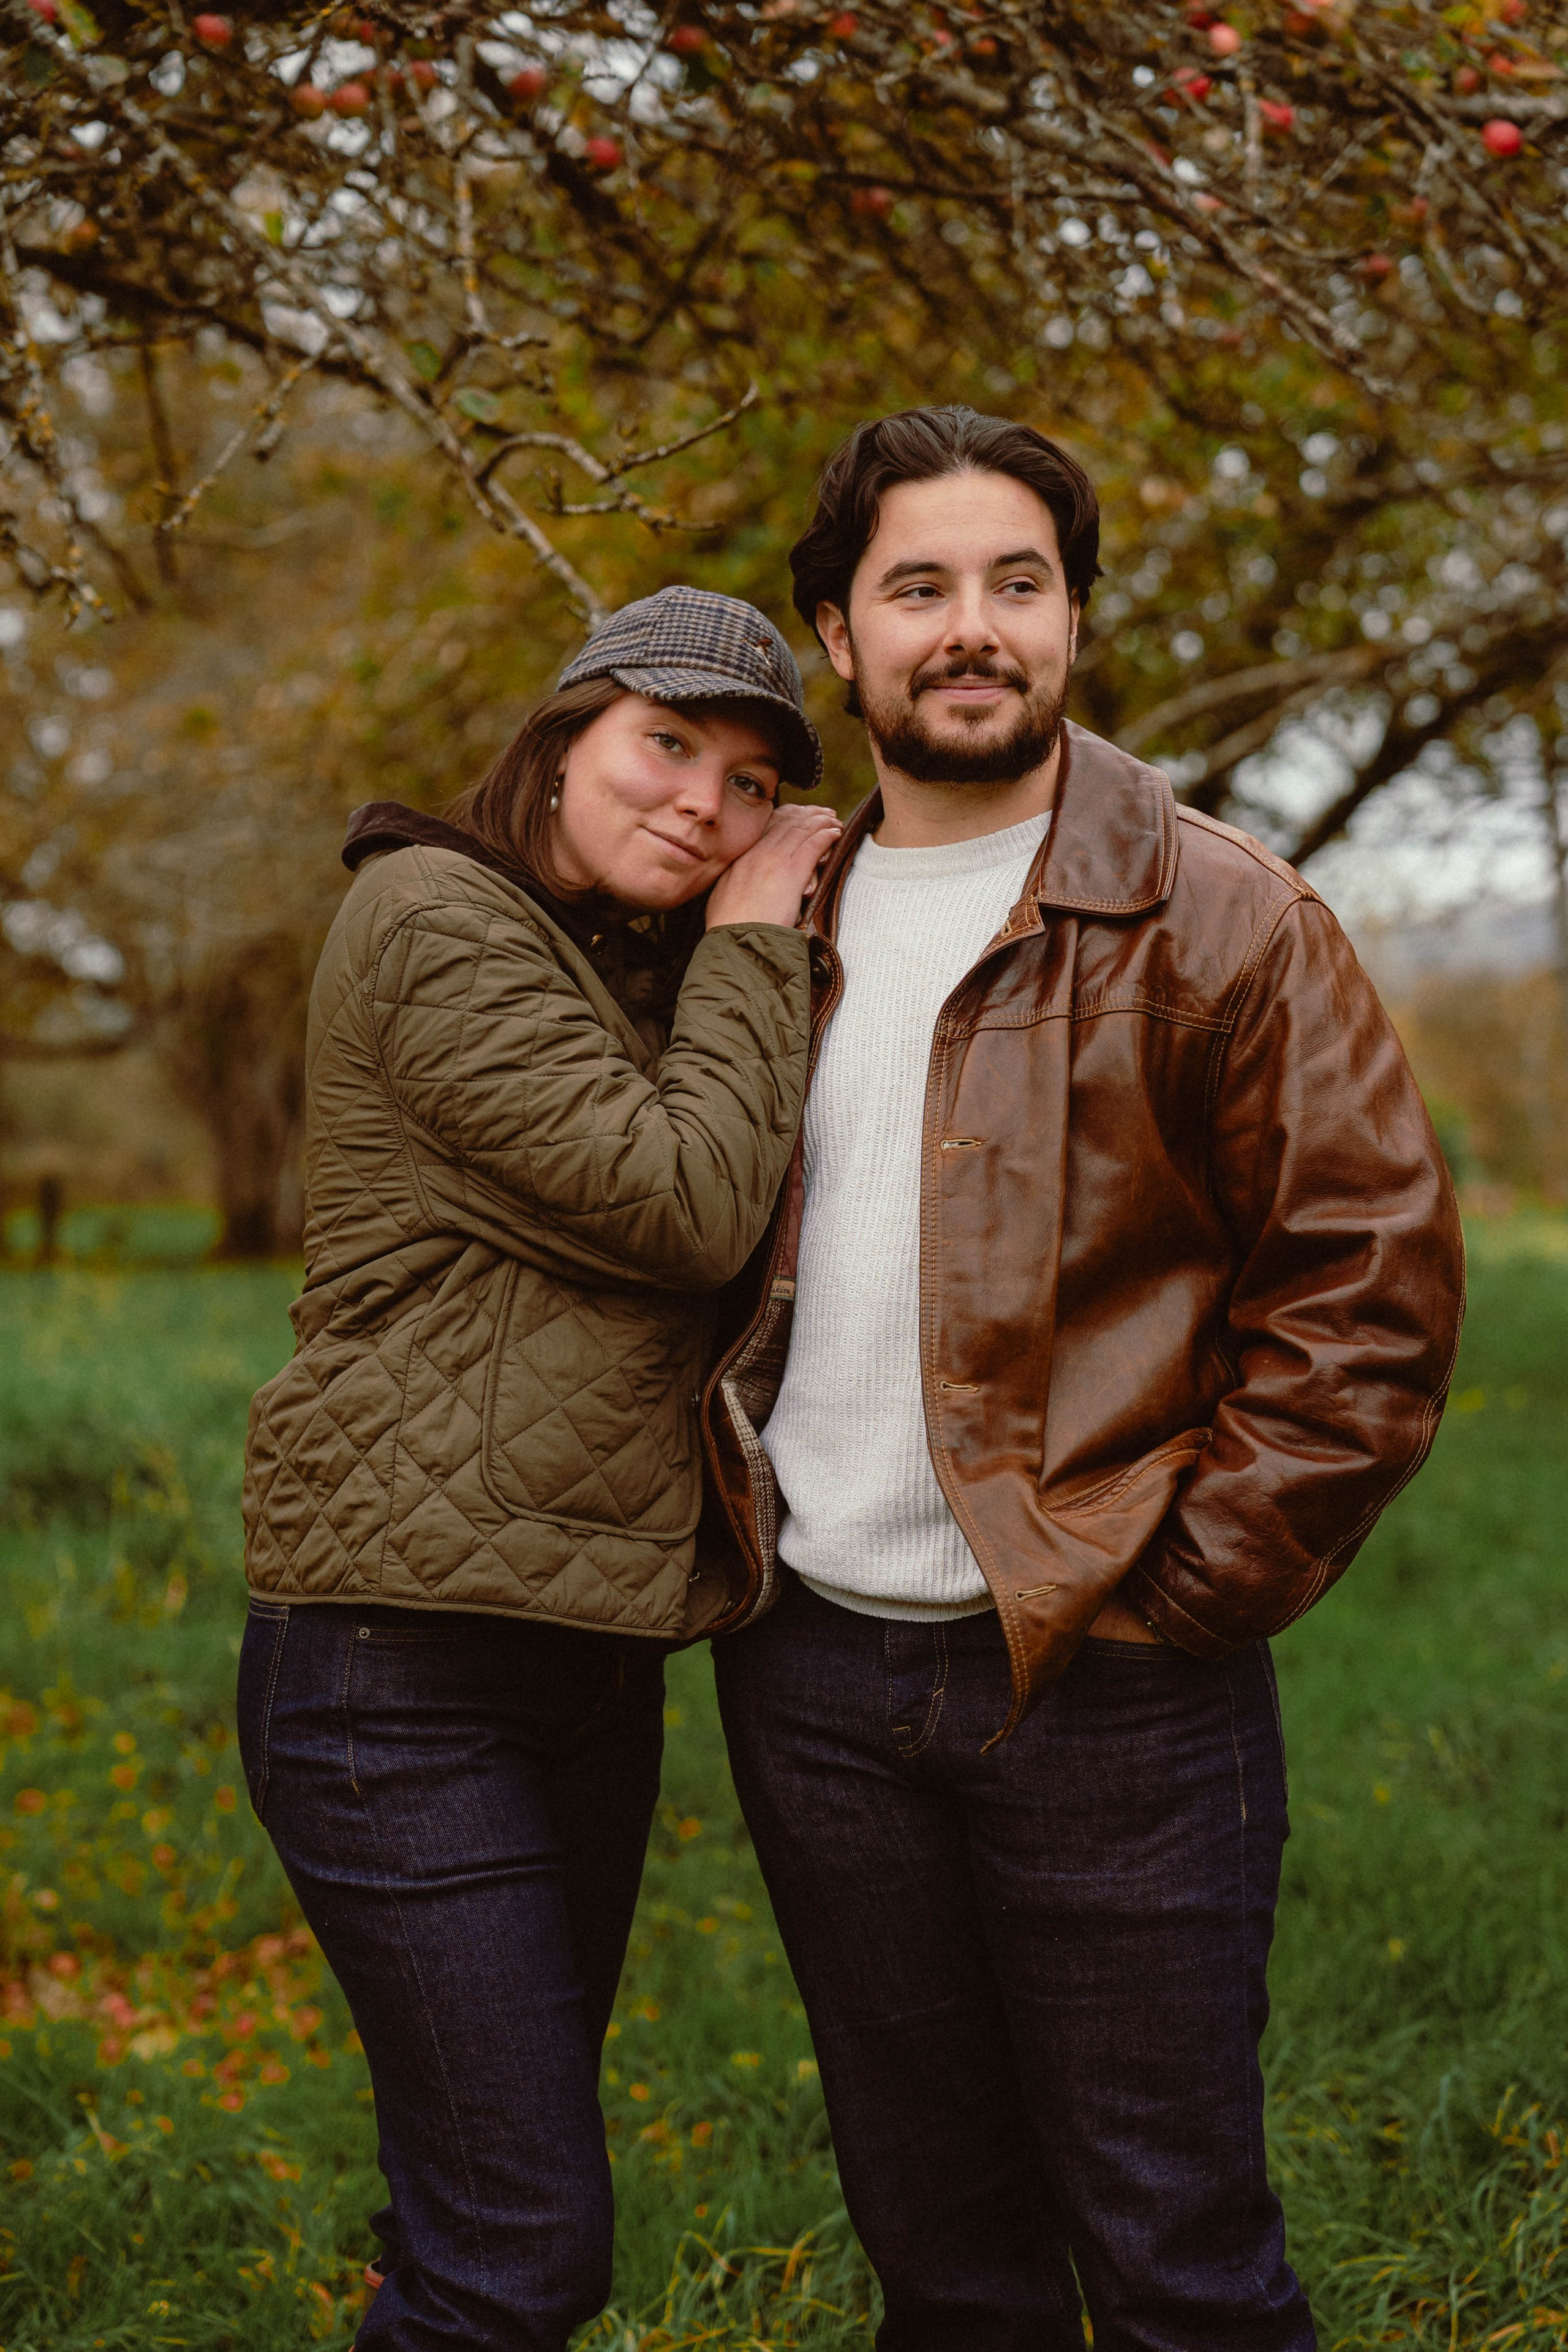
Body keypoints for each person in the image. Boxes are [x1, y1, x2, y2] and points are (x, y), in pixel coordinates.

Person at [704, 410, 1466, 2351]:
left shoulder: (1225, 915)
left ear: (1074, 621)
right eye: (921, 588)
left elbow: (1367, 1294)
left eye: (1018, 584)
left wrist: (1180, 1594)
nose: (974, 628)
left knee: (1178, 2260)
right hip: (813, 1681)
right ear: (839, 637)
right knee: (941, 2254)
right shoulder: (757, 921)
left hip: (1116, 1688)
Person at [237, 586, 840, 2351]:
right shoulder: (434, 913)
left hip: (572, 1652)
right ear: (564, 739)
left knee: (471, 2203)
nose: (700, 807)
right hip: (395, 1679)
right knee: (523, 2251)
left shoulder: (604, 964)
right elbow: (684, 1200)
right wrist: (758, 930)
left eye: (750, 788)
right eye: (667, 745)